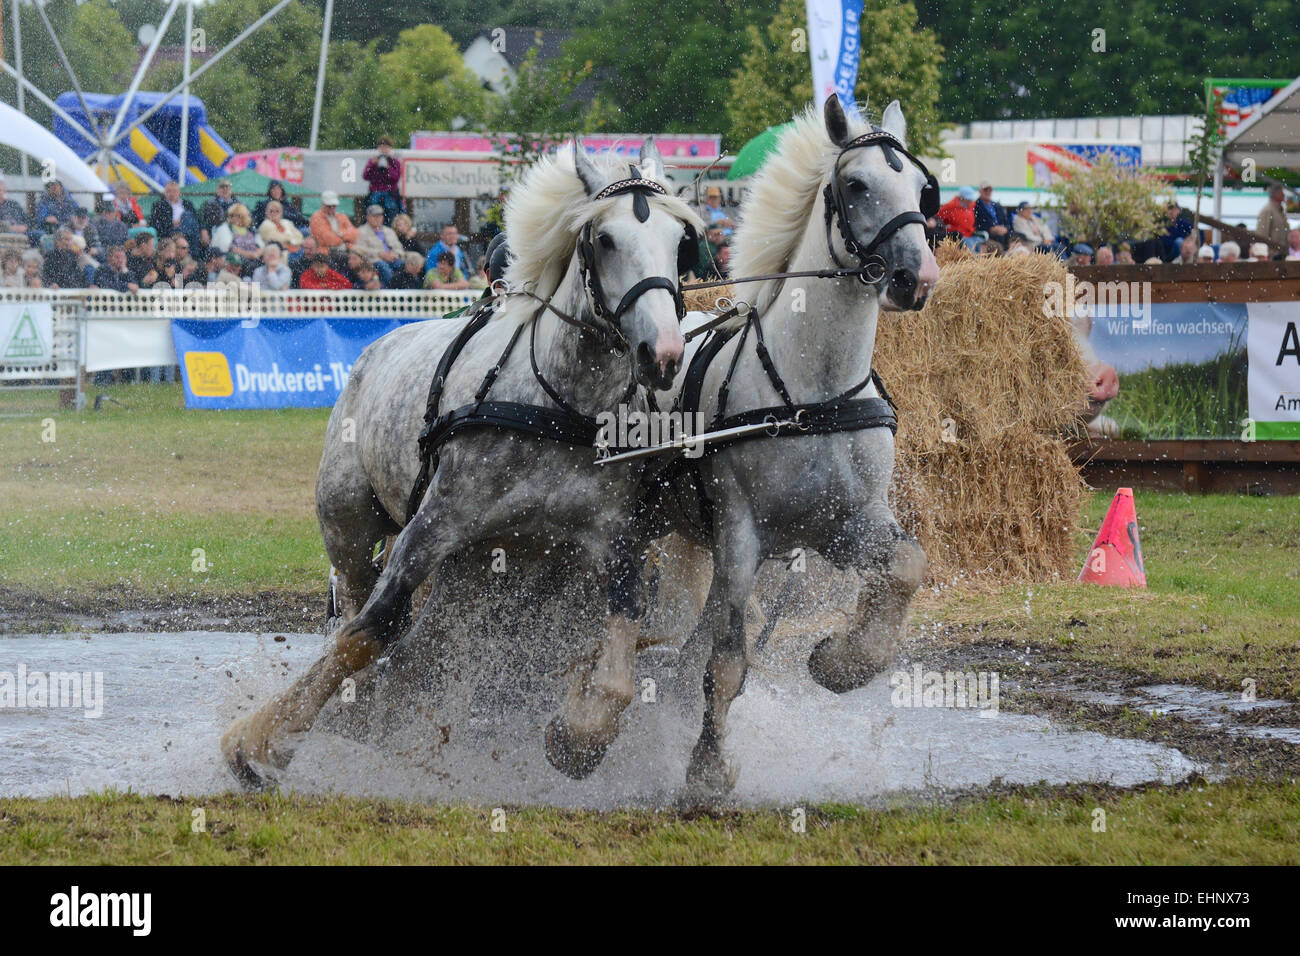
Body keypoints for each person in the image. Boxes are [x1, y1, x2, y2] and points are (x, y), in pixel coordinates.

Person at [354, 204, 402, 283]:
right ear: (368, 217)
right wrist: (379, 254)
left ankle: (404, 288)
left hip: (392, 258)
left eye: (379, 216)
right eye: (374, 216)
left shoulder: (389, 231)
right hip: (374, 260)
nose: (377, 218)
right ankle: (392, 288)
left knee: (403, 264)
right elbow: (359, 249)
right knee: (383, 266)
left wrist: (394, 255)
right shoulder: (361, 231)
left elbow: (399, 247)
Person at [147, 180, 201, 248]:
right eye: (168, 191)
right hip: (170, 231)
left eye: (174, 191)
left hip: (188, 230)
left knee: (187, 216)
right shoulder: (158, 205)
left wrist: (182, 220)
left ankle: (182, 236)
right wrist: (172, 223)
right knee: (187, 216)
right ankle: (184, 240)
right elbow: (154, 223)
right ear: (164, 193)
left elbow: (196, 218)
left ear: (180, 193)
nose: (171, 194)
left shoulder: (187, 204)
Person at [211, 203, 264, 272]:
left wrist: (256, 254)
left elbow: (261, 247)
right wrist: (250, 255)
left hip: (254, 261)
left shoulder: (251, 230)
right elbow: (231, 249)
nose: (234, 218)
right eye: (232, 215)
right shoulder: (225, 229)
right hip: (236, 263)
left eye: (238, 216)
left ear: (244, 217)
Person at [363, 135, 404, 223]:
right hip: (375, 192)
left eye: (386, 147)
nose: (383, 150)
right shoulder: (373, 160)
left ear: (390, 148)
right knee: (373, 212)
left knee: (392, 213)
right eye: (381, 147)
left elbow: (396, 178)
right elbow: (365, 176)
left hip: (390, 193)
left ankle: (390, 227)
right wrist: (373, 164)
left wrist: (388, 167)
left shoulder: (395, 161)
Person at [199, 178, 236, 255]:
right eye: (222, 187)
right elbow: (202, 220)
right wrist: (203, 230)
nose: (225, 189)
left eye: (227, 187)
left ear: (231, 190)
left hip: (235, 234)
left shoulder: (238, 204)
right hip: (217, 234)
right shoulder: (209, 204)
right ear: (217, 190)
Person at [974, 181, 1010, 246]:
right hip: (987, 235)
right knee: (999, 238)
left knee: (1017, 237)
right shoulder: (975, 206)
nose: (988, 192)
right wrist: (990, 229)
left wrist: (1005, 228)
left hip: (1002, 233)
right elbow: (976, 224)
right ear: (980, 191)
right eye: (985, 190)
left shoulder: (997, 206)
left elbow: (1006, 221)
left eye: (990, 190)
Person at [1256, 184, 1289, 251]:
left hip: (1280, 252)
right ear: (1275, 195)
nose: (1284, 195)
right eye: (1281, 192)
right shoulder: (1268, 211)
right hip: (1272, 253)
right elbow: (1262, 234)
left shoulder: (1279, 210)